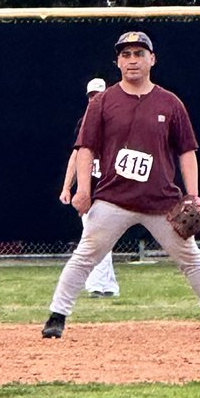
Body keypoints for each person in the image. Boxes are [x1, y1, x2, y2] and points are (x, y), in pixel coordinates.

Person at [42, 30, 200, 338]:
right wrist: (82, 190)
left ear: (152, 59)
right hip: (113, 198)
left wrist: (193, 196)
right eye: (125, 55)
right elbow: (86, 149)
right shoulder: (103, 102)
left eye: (138, 54)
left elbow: (186, 152)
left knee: (190, 257)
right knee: (85, 256)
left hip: (160, 200)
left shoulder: (170, 103)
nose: (132, 60)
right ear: (117, 62)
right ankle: (57, 317)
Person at [58, 77, 120, 298]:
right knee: (96, 237)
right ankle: (105, 286)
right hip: (90, 190)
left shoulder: (117, 121)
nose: (95, 99)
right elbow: (76, 157)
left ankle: (101, 286)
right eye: (92, 96)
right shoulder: (84, 123)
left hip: (110, 188)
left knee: (97, 238)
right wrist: (67, 187)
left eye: (99, 95)